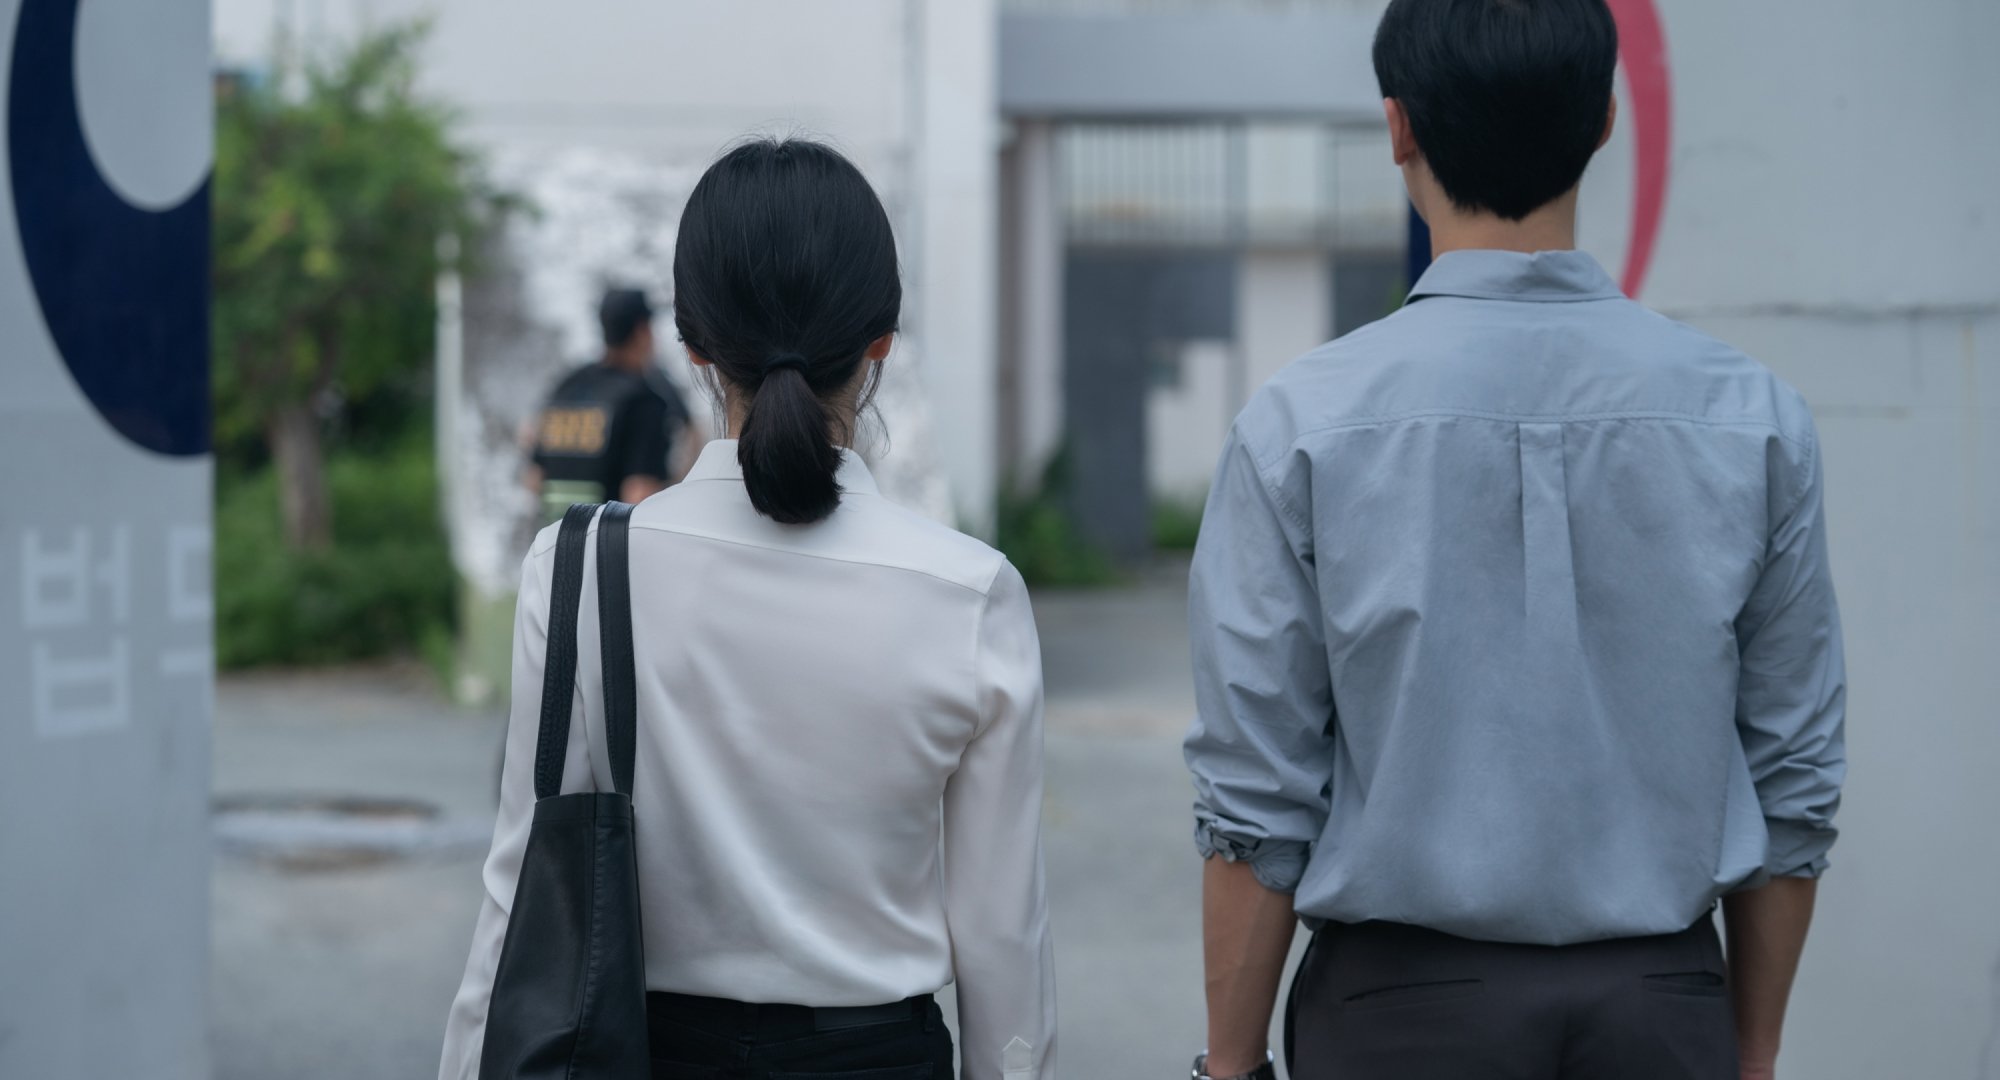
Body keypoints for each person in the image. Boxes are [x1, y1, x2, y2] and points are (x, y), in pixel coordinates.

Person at [1183, 2, 1846, 1079]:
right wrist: (1750, 1056)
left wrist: (1227, 1065)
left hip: (1393, 1017)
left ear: (1396, 126)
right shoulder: (1752, 418)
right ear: (1603, 120)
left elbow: (1255, 798)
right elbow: (1793, 778)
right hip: (1662, 1007)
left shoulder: (1298, 425)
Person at [440, 137, 1056, 1080]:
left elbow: (519, 900)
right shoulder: (970, 595)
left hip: (644, 1054)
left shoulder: (579, 569)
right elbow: (1002, 943)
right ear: (880, 341)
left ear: (692, 347)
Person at [527, 287, 695, 523]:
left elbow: (534, 478)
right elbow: (640, 494)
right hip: (609, 553)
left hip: (555, 547)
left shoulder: (567, 388)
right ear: (642, 331)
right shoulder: (644, 400)